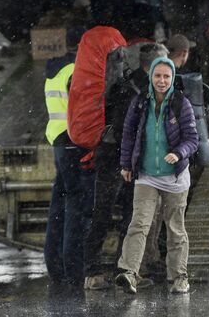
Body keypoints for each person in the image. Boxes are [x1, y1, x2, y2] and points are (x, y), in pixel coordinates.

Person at [83, 42, 168, 290]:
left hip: (126, 160)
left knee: (129, 217)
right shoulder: (131, 90)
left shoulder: (137, 86)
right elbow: (122, 130)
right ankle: (93, 272)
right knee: (104, 214)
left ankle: (126, 272)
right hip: (116, 161)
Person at [115, 57, 198, 294]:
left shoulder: (182, 103)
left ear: (172, 79)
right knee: (139, 223)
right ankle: (130, 272)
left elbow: (192, 140)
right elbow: (129, 134)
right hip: (147, 176)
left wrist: (178, 153)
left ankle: (179, 277)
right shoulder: (140, 102)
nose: (162, 81)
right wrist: (126, 164)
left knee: (174, 228)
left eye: (166, 76)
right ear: (151, 77)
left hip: (175, 177)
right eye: (157, 76)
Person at [43, 27, 93, 289]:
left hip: (59, 140)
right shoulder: (75, 71)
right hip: (74, 142)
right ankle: (73, 269)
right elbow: (83, 110)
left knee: (58, 206)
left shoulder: (54, 68)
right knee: (77, 206)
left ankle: (54, 265)